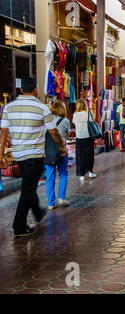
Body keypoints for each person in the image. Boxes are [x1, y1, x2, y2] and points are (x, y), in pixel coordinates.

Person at [0, 77, 67, 237]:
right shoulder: (41, 107)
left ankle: (37, 212)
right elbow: (54, 131)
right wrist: (61, 147)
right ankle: (19, 225)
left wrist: (1, 153)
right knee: (28, 188)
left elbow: (4, 132)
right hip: (35, 155)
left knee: (29, 184)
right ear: (35, 89)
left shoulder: (9, 108)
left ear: (21, 90)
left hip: (19, 155)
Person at [45, 101, 71, 210]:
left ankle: (51, 203)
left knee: (50, 177)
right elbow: (68, 134)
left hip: (48, 152)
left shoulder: (47, 121)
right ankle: (61, 197)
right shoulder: (65, 121)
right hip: (61, 150)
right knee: (63, 173)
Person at [72, 99, 97, 182]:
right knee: (90, 155)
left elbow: (75, 124)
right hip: (88, 136)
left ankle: (81, 174)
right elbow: (92, 123)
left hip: (79, 137)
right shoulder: (89, 113)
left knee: (80, 156)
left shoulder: (75, 114)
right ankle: (90, 172)